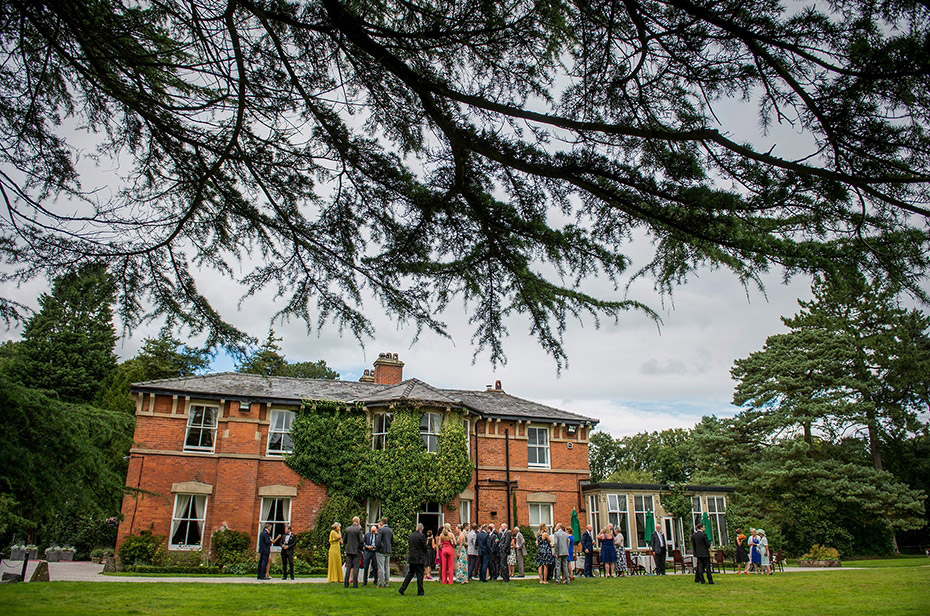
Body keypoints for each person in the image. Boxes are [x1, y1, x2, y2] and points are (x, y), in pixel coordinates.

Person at [399, 523, 428, 596]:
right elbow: (424, 547)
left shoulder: (411, 536)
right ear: (422, 529)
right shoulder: (421, 536)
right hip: (419, 558)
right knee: (420, 575)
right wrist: (426, 551)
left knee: (410, 574)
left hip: (412, 557)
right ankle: (420, 591)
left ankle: (402, 589)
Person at [343, 516, 364, 588]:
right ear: (358, 521)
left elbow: (344, 540)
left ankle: (346, 583)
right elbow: (361, 540)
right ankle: (355, 584)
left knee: (348, 566)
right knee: (356, 567)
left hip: (349, 550)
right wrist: (361, 549)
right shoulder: (359, 529)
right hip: (356, 550)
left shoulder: (347, 529)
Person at [376, 517, 393, 587]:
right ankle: (387, 583)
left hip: (381, 550)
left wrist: (378, 547)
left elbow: (378, 541)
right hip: (388, 549)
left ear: (382, 522)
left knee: (381, 567)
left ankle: (380, 583)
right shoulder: (390, 530)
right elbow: (392, 541)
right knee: (387, 567)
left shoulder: (381, 530)